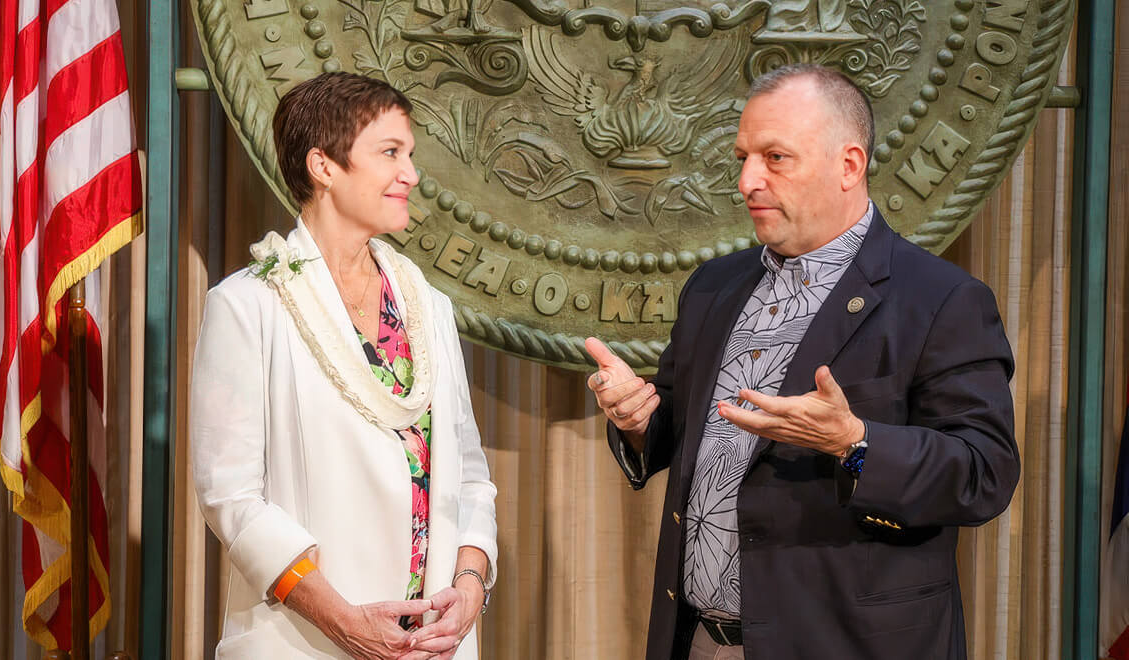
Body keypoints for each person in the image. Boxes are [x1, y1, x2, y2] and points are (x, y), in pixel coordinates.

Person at [586, 63, 1019, 660]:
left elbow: (983, 474)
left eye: (775, 158)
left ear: (849, 165)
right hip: (701, 643)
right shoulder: (714, 287)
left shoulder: (941, 300)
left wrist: (855, 442)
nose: (746, 181)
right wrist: (637, 421)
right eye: (742, 157)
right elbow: (678, 433)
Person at [191, 72, 497, 660]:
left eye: (409, 155)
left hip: (433, 645)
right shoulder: (249, 304)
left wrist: (470, 586)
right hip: (306, 643)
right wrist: (345, 624)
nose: (409, 174)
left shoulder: (428, 308)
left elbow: (470, 474)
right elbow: (230, 498)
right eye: (390, 153)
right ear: (323, 167)